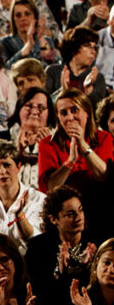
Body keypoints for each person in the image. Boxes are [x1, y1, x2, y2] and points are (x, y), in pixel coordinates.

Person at [39, 89, 113, 238]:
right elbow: (50, 188)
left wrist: (84, 146)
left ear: (87, 112)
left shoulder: (103, 138)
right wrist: (70, 162)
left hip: (99, 211)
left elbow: (103, 175)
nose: (70, 117)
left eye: (74, 110)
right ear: (58, 117)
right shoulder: (48, 144)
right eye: (63, 113)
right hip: (65, 218)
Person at [26, 185, 96, 305]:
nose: (78, 217)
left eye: (80, 210)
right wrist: (59, 273)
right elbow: (38, 292)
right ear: (54, 219)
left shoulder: (94, 243)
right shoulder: (38, 247)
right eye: (70, 214)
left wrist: (90, 270)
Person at [45, 26, 107, 108]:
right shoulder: (53, 72)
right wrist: (62, 91)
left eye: (95, 47)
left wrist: (89, 91)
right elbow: (44, 104)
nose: (93, 51)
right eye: (87, 45)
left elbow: (99, 112)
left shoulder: (97, 78)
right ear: (73, 47)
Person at [8, 86, 56, 189]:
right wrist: (18, 151)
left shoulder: (58, 141)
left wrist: (50, 149)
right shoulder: (3, 138)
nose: (34, 112)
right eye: (29, 106)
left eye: (41, 108)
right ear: (19, 109)